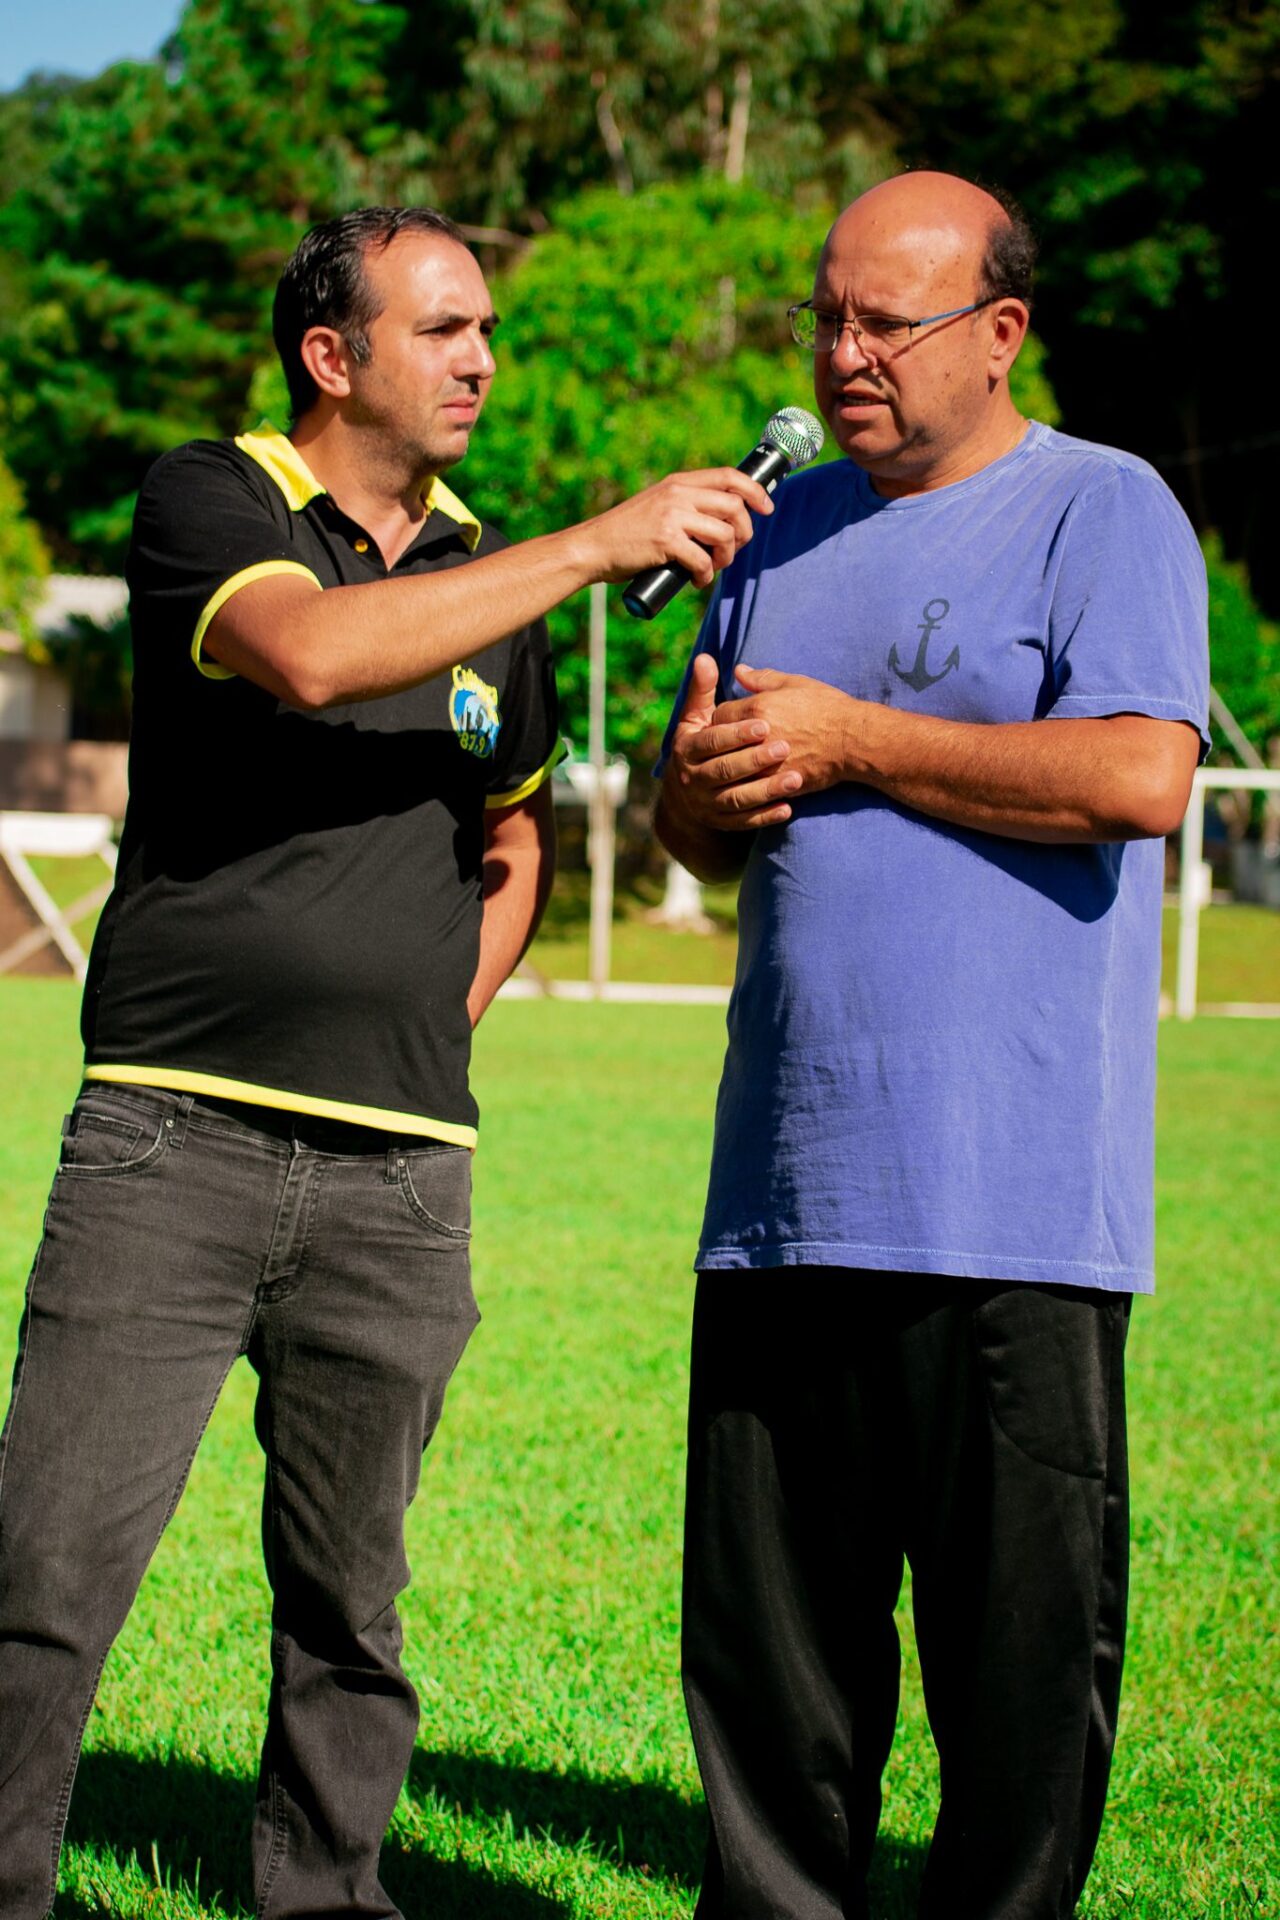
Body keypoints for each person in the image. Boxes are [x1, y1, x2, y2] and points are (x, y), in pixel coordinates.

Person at [0, 205, 771, 1918]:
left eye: (487, 328)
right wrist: (601, 541)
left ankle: (324, 1897)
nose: (484, 360)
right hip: (170, 1143)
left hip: (404, 1175)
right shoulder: (213, 499)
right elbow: (315, 654)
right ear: (332, 355)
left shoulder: (486, 570)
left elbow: (512, 844)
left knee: (353, 1611)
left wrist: (445, 1011)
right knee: (47, 1573)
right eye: (445, 331)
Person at [655, 172, 1209, 1920]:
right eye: (823, 316)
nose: (841, 353)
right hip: (781, 1203)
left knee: (1018, 1706)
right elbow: (710, 831)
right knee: (769, 1697)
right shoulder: (782, 532)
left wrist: (851, 740)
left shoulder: (1102, 511)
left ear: (999, 331)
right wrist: (698, 788)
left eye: (884, 323)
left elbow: (1137, 777)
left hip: (1011, 1219)